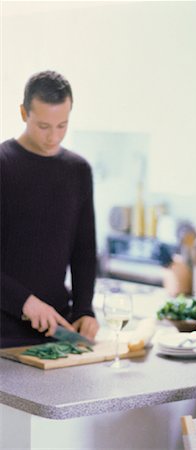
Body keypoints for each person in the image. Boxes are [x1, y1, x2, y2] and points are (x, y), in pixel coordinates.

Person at [1, 70, 99, 348]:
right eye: (44, 126)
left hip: (57, 333)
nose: (53, 137)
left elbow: (84, 251)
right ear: (23, 113)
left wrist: (84, 309)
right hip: (4, 335)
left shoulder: (78, 171)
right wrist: (24, 302)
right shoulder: (3, 166)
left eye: (62, 125)